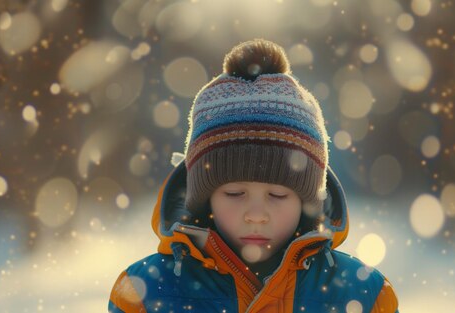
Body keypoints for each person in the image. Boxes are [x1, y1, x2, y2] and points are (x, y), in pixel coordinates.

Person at [108, 39, 399, 313]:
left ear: (308, 200)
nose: (256, 215)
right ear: (205, 198)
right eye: (235, 193)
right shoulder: (145, 295)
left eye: (278, 195)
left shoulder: (364, 296)